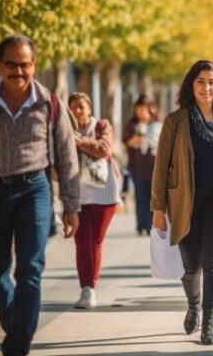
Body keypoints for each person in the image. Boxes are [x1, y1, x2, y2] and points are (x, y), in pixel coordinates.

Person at [0, 35, 80, 356]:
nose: (18, 71)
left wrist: (72, 205)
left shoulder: (50, 102)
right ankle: (15, 315)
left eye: (25, 64)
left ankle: (18, 344)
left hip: (34, 189)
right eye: (11, 64)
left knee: (30, 268)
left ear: (34, 65)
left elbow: (68, 156)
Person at [150, 60, 213, 345]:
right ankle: (193, 305)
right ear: (191, 85)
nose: (207, 87)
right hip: (184, 204)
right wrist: (158, 208)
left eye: (212, 82)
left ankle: (208, 324)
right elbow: (161, 167)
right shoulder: (176, 122)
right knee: (191, 266)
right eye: (201, 82)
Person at [68, 92, 121, 309]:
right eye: (73, 108)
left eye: (81, 106)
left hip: (104, 195)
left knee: (95, 242)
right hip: (77, 195)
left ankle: (91, 287)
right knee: (82, 242)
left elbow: (104, 149)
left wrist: (79, 141)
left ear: (89, 108)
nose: (77, 111)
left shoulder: (101, 126)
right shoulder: (64, 130)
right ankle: (86, 289)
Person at [122, 95, 161, 235]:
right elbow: (127, 142)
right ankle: (141, 226)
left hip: (155, 167)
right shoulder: (132, 124)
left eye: (144, 108)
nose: (141, 111)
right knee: (140, 196)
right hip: (136, 166)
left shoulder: (157, 124)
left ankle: (152, 226)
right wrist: (140, 135)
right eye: (139, 108)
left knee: (153, 197)